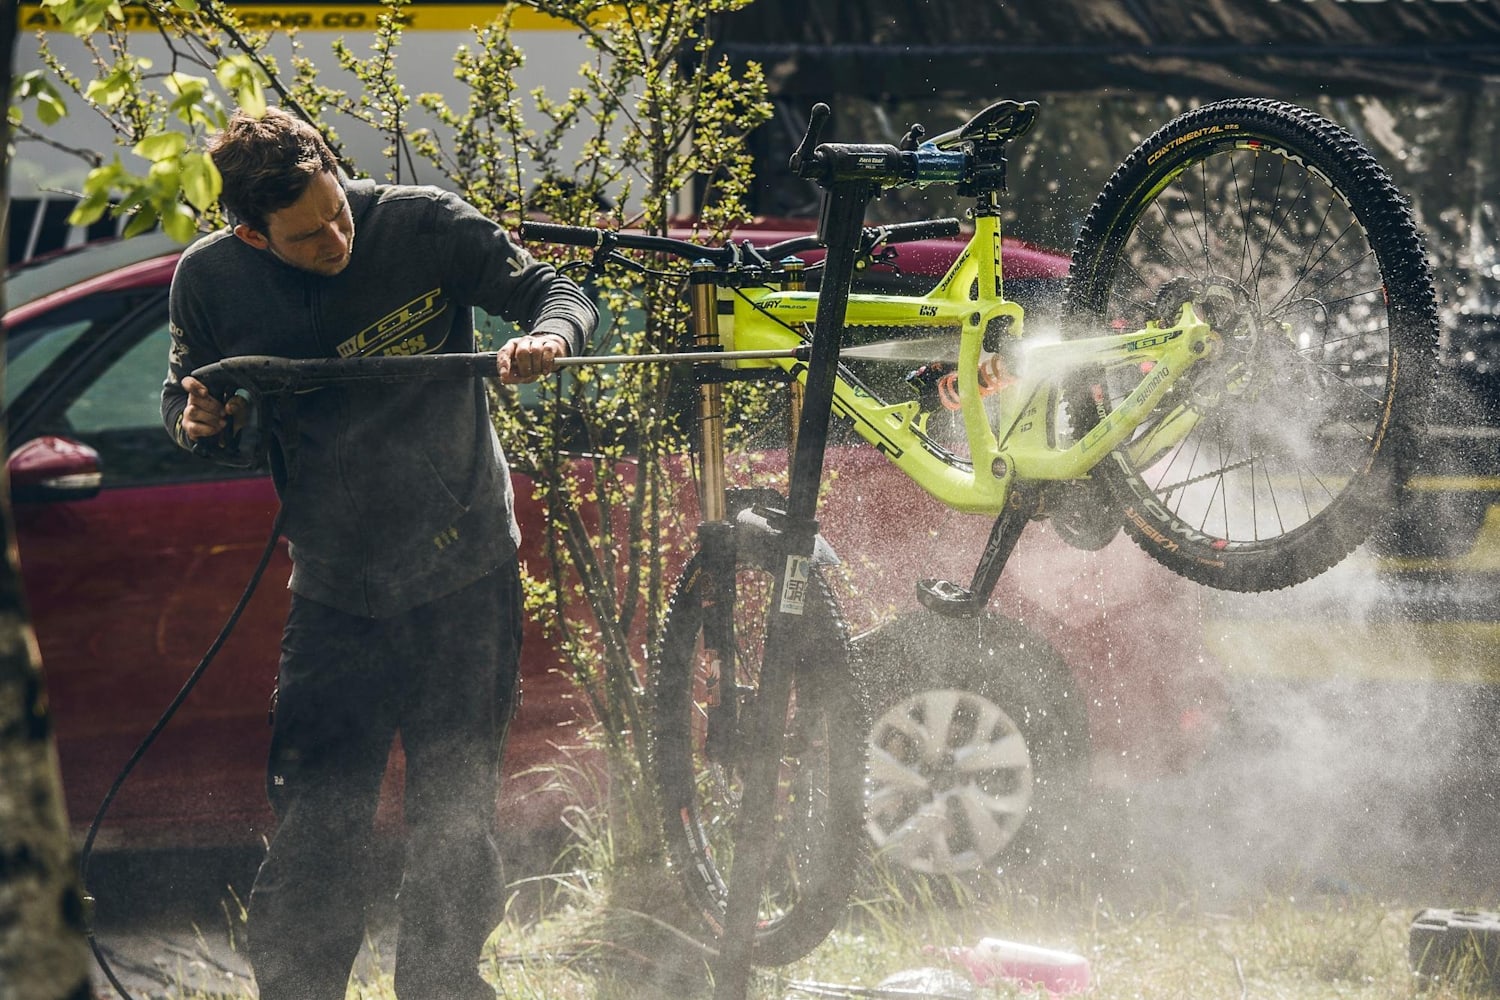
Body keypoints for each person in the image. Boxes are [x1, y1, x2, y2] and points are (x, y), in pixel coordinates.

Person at [161, 106, 598, 1000]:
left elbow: (557, 292)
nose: (335, 238)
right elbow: (192, 402)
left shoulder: (422, 223)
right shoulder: (208, 282)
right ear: (251, 233)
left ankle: (443, 984)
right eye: (306, 235)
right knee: (318, 821)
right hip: (336, 590)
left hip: (465, 573)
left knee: (455, 813)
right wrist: (200, 420)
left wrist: (550, 339)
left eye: (337, 212)